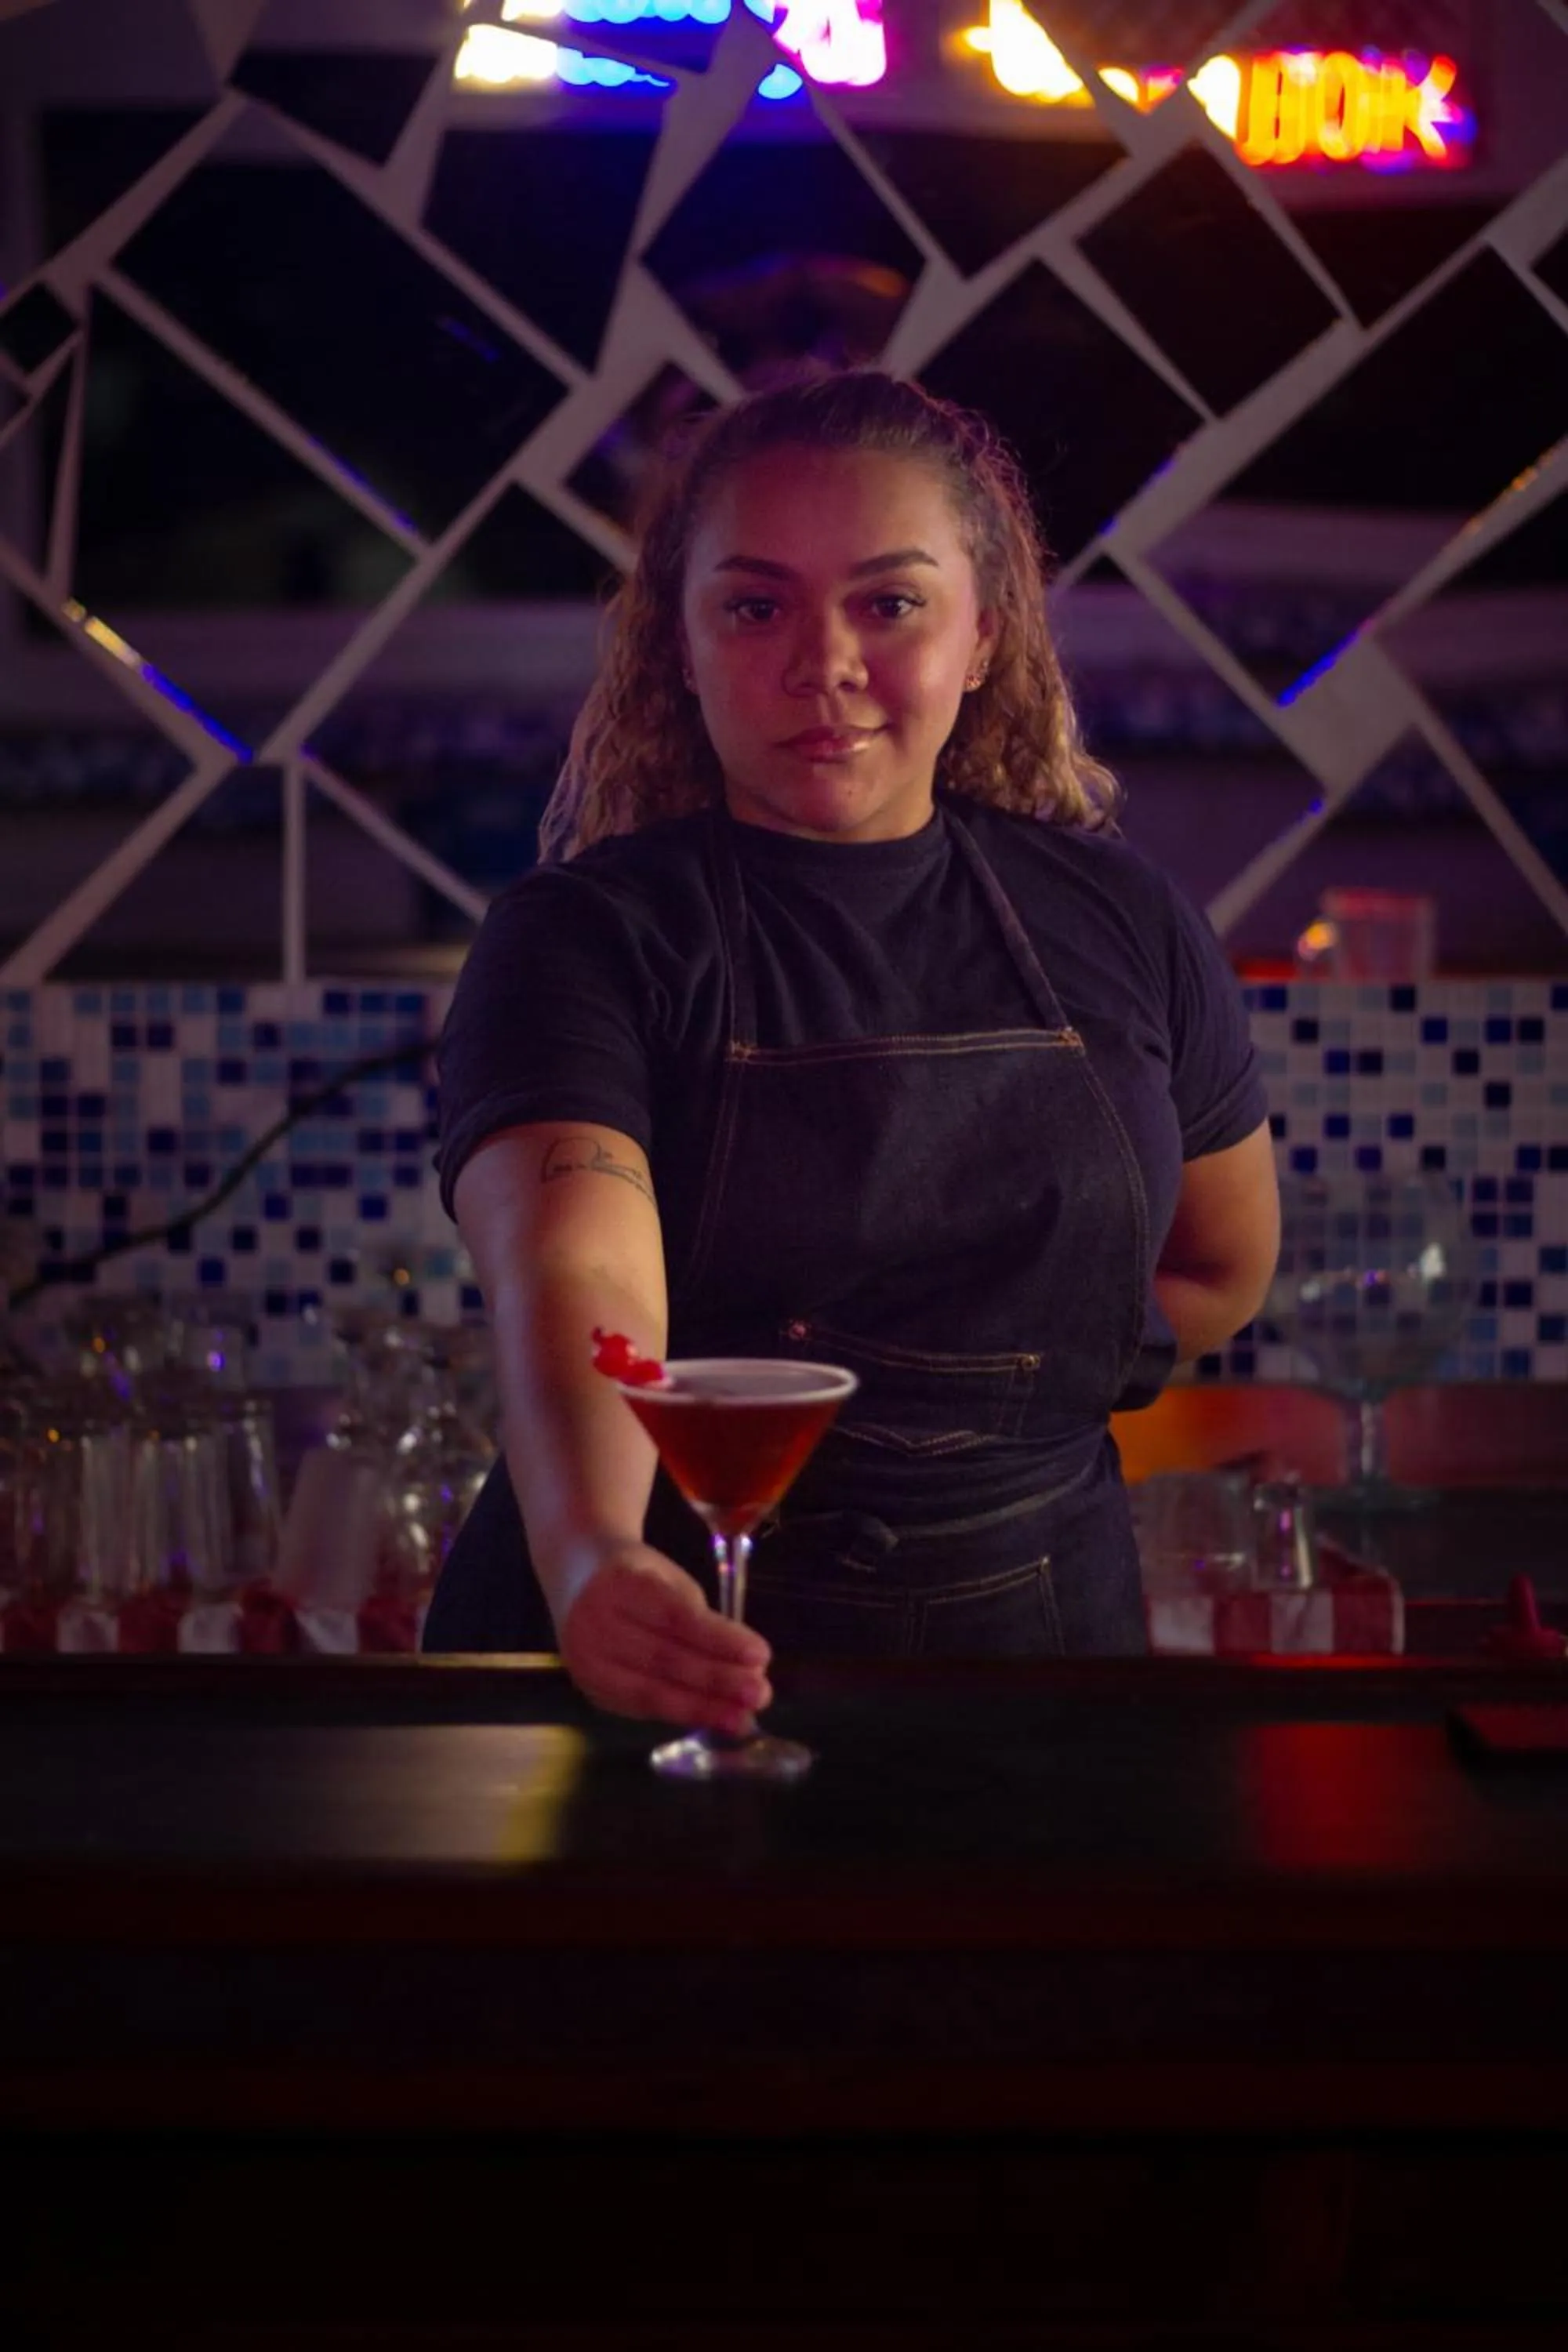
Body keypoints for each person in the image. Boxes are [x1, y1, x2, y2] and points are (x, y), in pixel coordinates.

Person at [423, 369, 1278, 1735]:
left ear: (984, 635)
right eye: (755, 607)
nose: (824, 663)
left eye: (889, 603)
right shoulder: (580, 937)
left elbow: (1222, 1265)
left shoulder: (1124, 916)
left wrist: (1003, 1385)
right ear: (681, 646)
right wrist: (592, 1550)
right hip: (661, 1641)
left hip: (1038, 1639)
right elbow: (580, 1263)